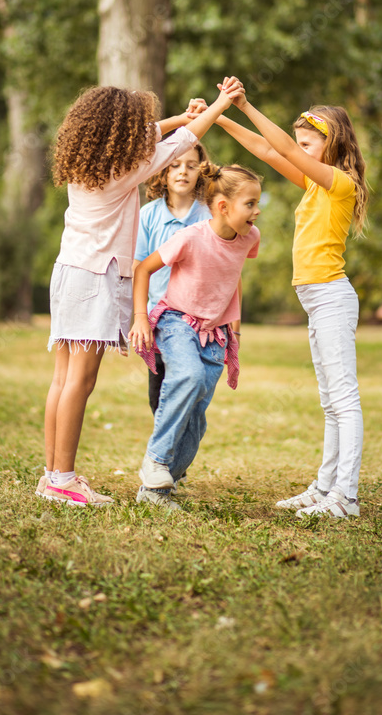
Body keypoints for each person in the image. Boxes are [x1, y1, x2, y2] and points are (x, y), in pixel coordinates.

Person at [39, 80, 238, 507]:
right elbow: (183, 141)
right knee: (81, 380)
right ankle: (64, 479)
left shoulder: (88, 163)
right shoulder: (126, 169)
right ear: (121, 133)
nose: (144, 130)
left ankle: (52, 475)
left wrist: (180, 117)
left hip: (69, 271)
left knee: (61, 379)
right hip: (96, 278)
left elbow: (156, 133)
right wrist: (220, 105)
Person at [215, 84, 369, 519]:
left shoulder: (339, 182)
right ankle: (325, 488)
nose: (297, 151)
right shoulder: (314, 183)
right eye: (299, 144)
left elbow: (279, 143)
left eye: (306, 145)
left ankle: (347, 497)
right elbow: (267, 149)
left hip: (332, 298)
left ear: (330, 144)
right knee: (329, 400)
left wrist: (245, 104)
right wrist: (220, 116)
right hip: (318, 301)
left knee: (343, 399)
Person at [129, 162, 262, 510]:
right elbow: (143, 267)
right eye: (250, 203)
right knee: (186, 376)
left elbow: (233, 274)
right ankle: (155, 461)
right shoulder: (190, 237)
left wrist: (236, 325)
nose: (257, 211)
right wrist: (141, 318)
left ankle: (157, 489)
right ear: (222, 207)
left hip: (214, 333)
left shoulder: (250, 237)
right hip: (175, 320)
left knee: (196, 416)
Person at [133, 142, 212, 415]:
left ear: (201, 172)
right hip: (156, 320)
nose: (183, 172)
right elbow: (137, 267)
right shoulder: (147, 215)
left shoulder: (210, 216)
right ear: (163, 172)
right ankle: (163, 455)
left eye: (192, 166)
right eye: (175, 165)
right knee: (159, 396)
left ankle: (177, 453)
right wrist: (138, 316)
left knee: (192, 390)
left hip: (199, 322)